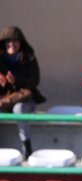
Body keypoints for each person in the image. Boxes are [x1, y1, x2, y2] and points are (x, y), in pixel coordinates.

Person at [0, 26, 45, 159]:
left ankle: (27, 147)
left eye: (15, 41)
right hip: (3, 101)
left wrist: (16, 81)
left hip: (24, 99)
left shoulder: (29, 58)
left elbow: (34, 81)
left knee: (19, 110)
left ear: (21, 43)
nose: (11, 45)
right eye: (8, 41)